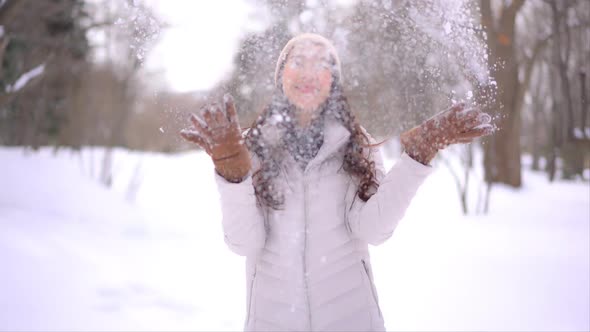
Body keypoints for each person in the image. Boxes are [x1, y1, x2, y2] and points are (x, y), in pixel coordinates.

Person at [181, 33, 493, 332]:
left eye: (322, 64)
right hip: (272, 321)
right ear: (281, 77)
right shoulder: (249, 148)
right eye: (298, 61)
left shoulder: (356, 144)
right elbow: (244, 243)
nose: (309, 72)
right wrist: (232, 172)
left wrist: (419, 154)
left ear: (333, 81)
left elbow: (373, 230)